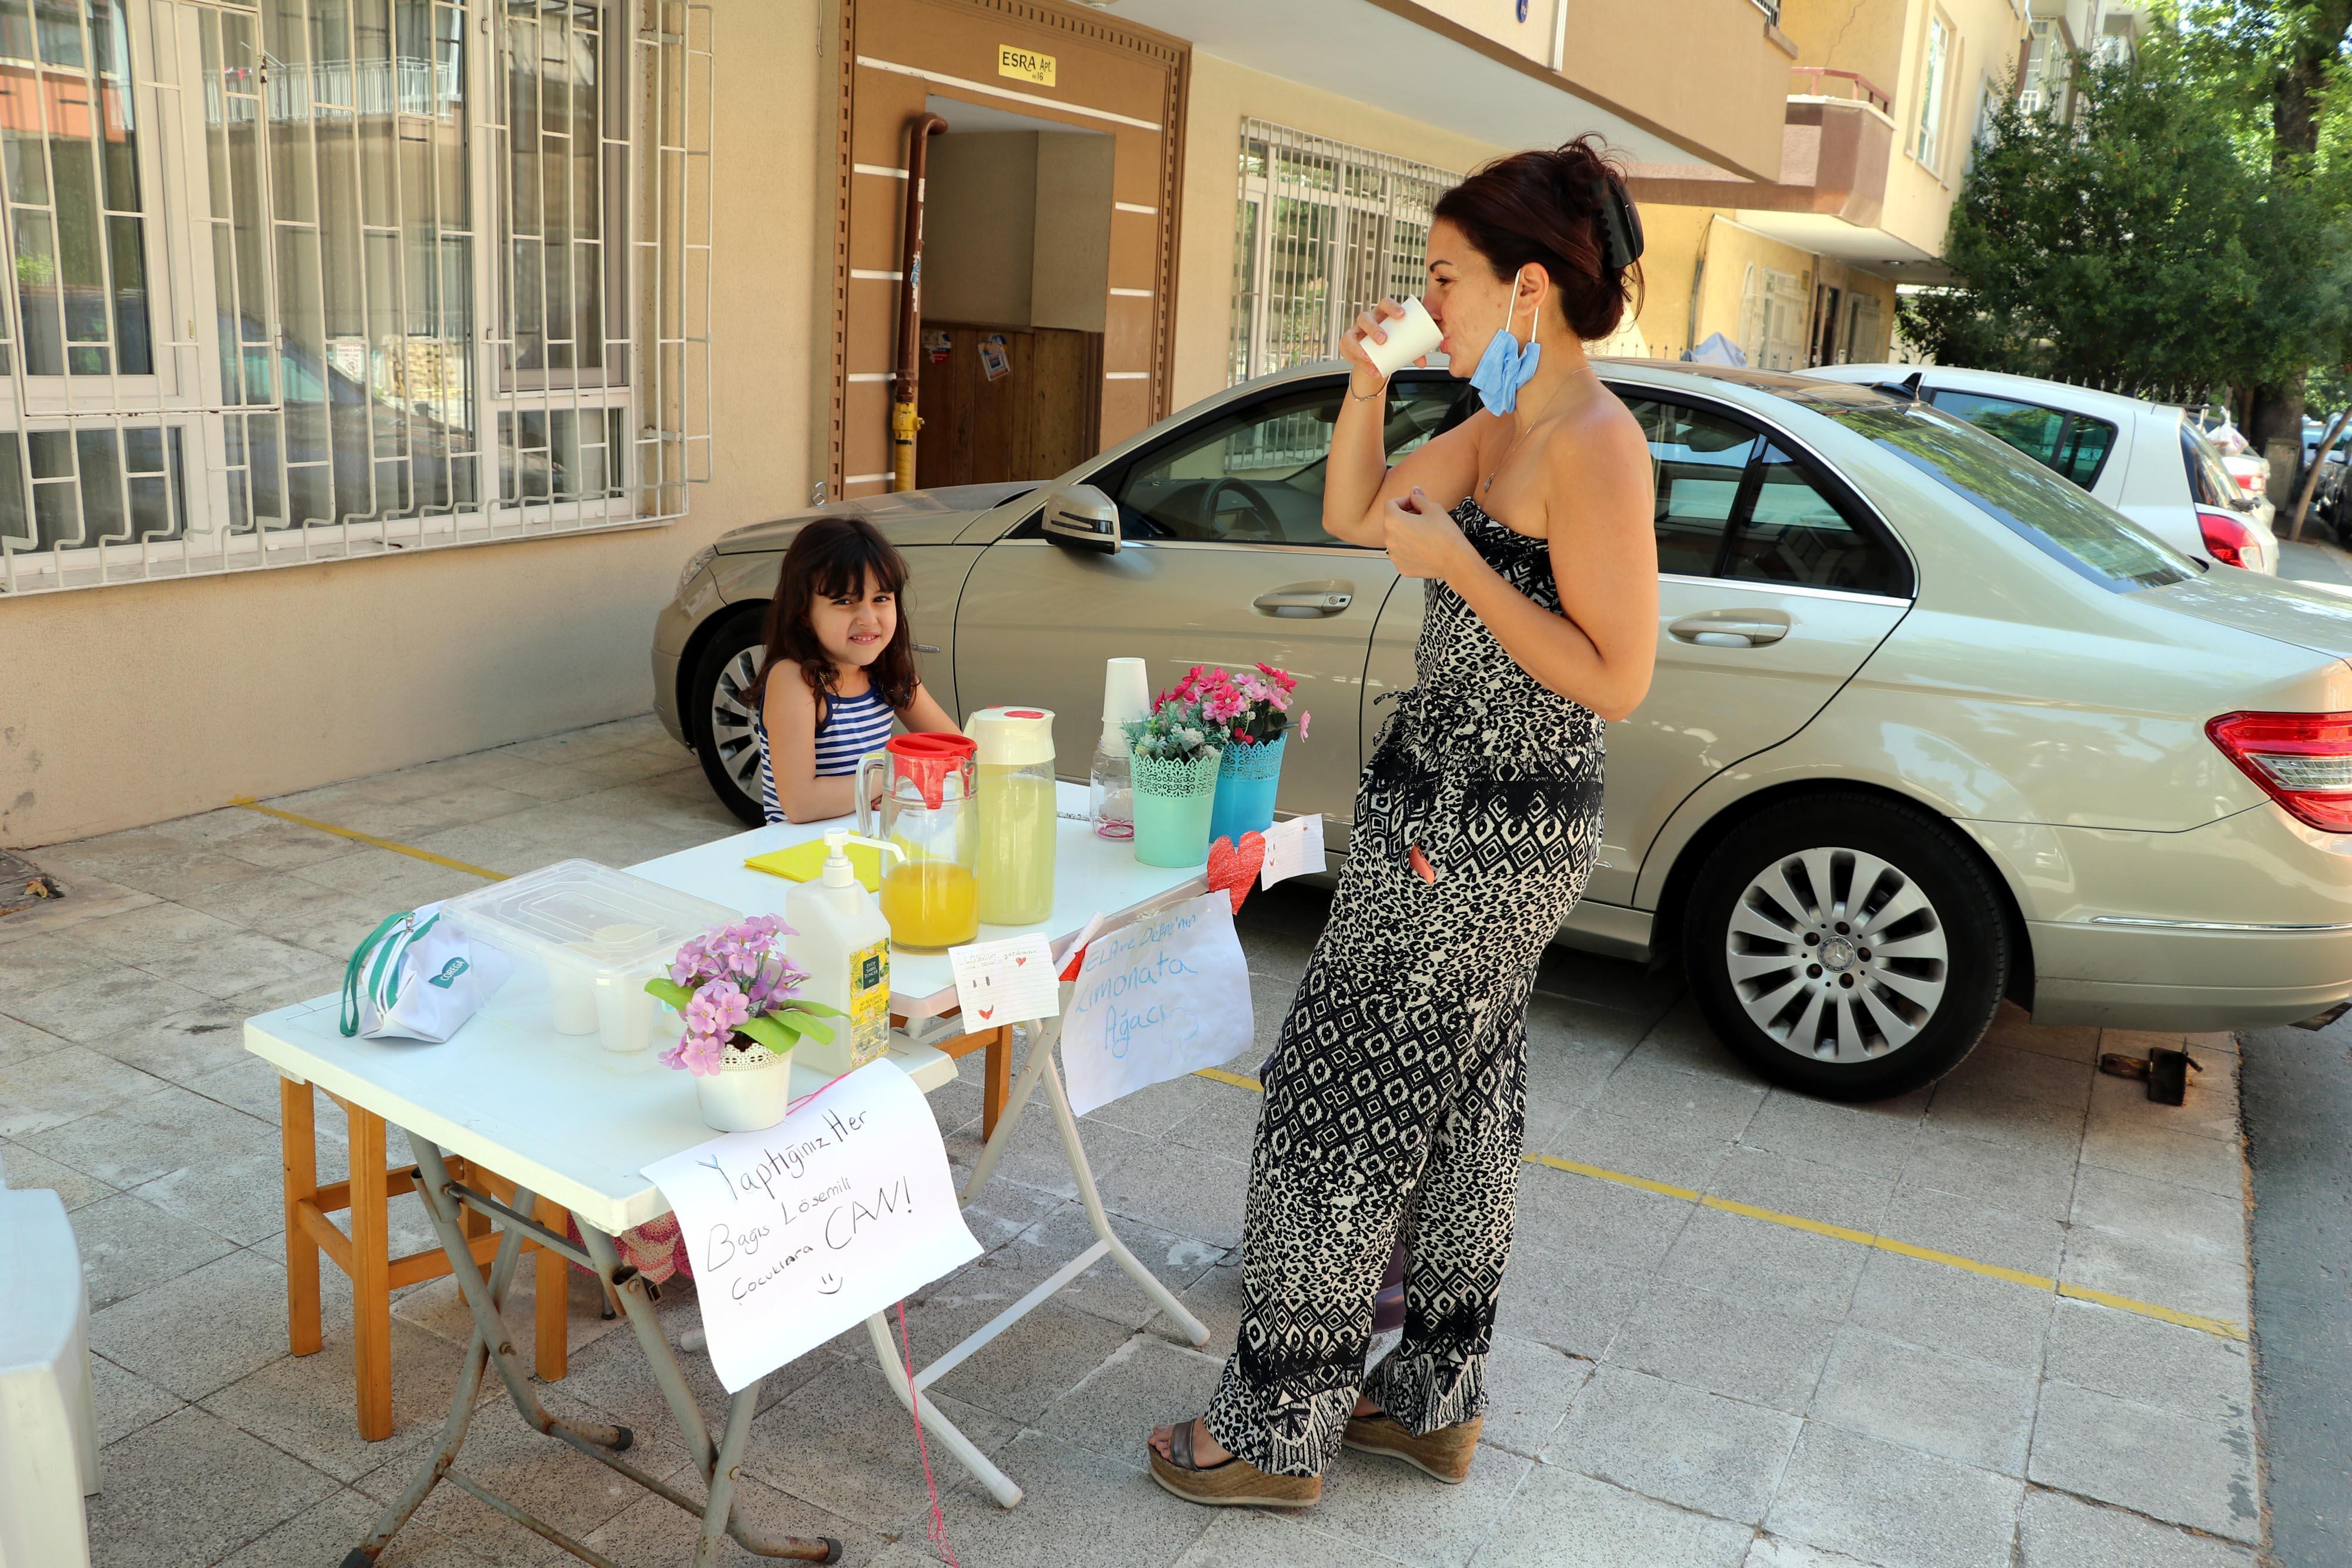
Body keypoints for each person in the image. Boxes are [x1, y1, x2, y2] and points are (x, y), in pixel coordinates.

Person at [1147, 137, 1659, 1507]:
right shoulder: (1504, 412)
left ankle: (1275, 1430)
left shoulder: (1596, 446)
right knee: (1462, 1102)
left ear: (1529, 286)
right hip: (1430, 802)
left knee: (1338, 1099)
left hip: (1490, 829)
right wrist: (1369, 384)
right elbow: (1356, 509)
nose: (1427, 295)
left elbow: (1617, 673)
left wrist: (1462, 573)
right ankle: (1429, 1399)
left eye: (1446, 276)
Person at [746, 515, 960, 823]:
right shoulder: (794, 680)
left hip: (869, 848)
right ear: (804, 612)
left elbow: (956, 751)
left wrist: (889, 784)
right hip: (800, 858)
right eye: (845, 601)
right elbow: (801, 803)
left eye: (881, 598)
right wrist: (896, 775)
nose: (868, 618)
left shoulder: (886, 675)